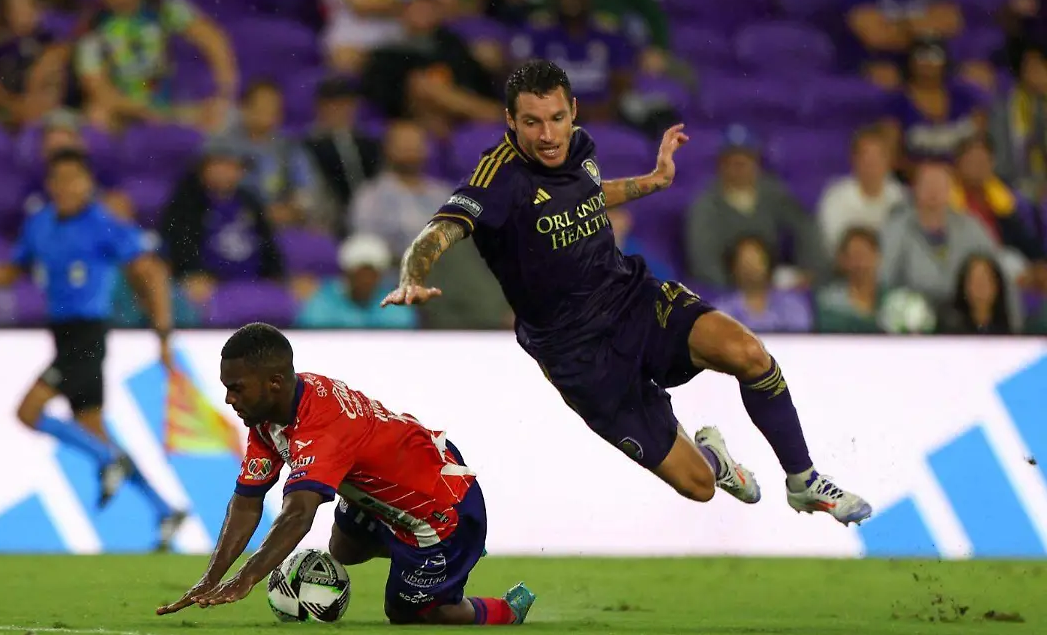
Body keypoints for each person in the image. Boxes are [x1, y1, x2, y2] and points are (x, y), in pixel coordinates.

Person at [382, 59, 872, 525]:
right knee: (698, 486)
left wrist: (652, 182)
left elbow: (588, 194)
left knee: (747, 353)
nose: (548, 134)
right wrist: (412, 272)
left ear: (572, 108)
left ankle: (803, 479)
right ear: (511, 120)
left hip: (631, 299)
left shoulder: (578, 147)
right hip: (578, 355)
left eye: (556, 118)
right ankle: (713, 460)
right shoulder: (497, 177)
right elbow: (439, 230)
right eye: (532, 123)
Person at [156, 323, 535, 626]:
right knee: (343, 550)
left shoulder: (322, 427)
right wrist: (211, 577)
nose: (228, 399)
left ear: (273, 381)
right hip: (398, 481)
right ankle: (452, 557)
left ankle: (501, 604)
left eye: (236, 389)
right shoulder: (273, 412)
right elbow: (246, 504)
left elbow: (298, 515)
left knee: (414, 615)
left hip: (442, 509)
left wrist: (245, 579)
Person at [0, 148, 186, 550]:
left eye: (74, 179)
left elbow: (151, 271)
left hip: (87, 335)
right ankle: (164, 509)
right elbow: (15, 269)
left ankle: (108, 462)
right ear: (50, 184)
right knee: (94, 430)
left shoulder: (103, 224)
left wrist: (163, 334)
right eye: (58, 179)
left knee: (29, 411)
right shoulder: (40, 224)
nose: (66, 187)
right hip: (61, 335)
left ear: (87, 183)